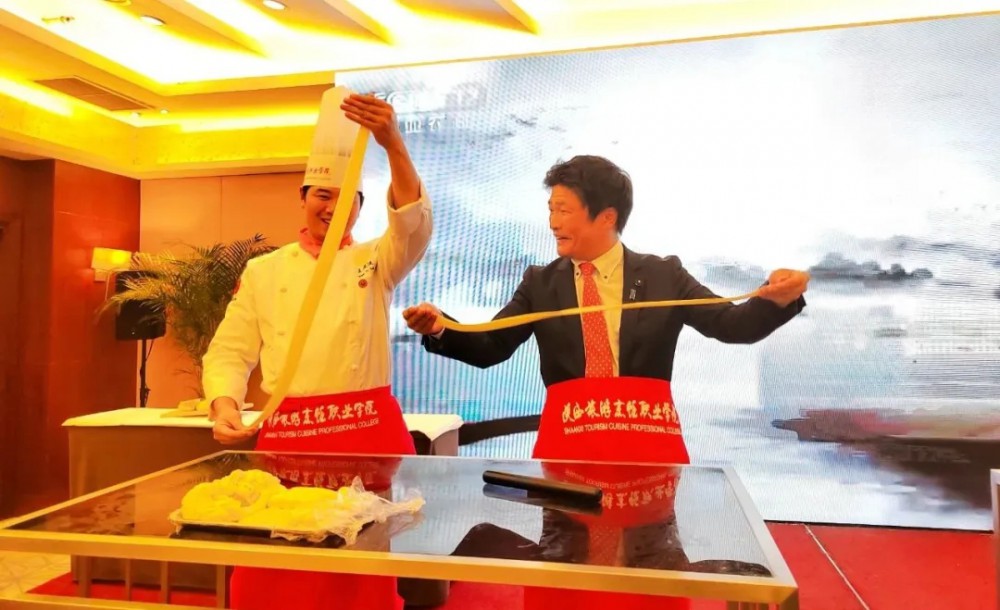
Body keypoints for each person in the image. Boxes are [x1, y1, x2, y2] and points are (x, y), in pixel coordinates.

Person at [403, 154, 808, 609]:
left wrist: (780, 299)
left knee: (648, 585)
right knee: (565, 582)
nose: (553, 222)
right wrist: (440, 328)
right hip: (566, 466)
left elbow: (732, 325)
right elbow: (491, 346)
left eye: (563, 210)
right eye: (550, 210)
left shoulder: (663, 275)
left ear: (607, 216)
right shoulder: (541, 283)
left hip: (648, 463)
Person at [202, 87, 432, 610]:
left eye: (345, 198)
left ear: (360, 207)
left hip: (363, 442)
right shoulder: (263, 270)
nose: (332, 208)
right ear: (302, 198)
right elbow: (230, 351)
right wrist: (224, 404)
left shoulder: (375, 261)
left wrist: (393, 143)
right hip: (287, 441)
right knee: (276, 571)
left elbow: (413, 226)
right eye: (321, 195)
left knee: (355, 576)